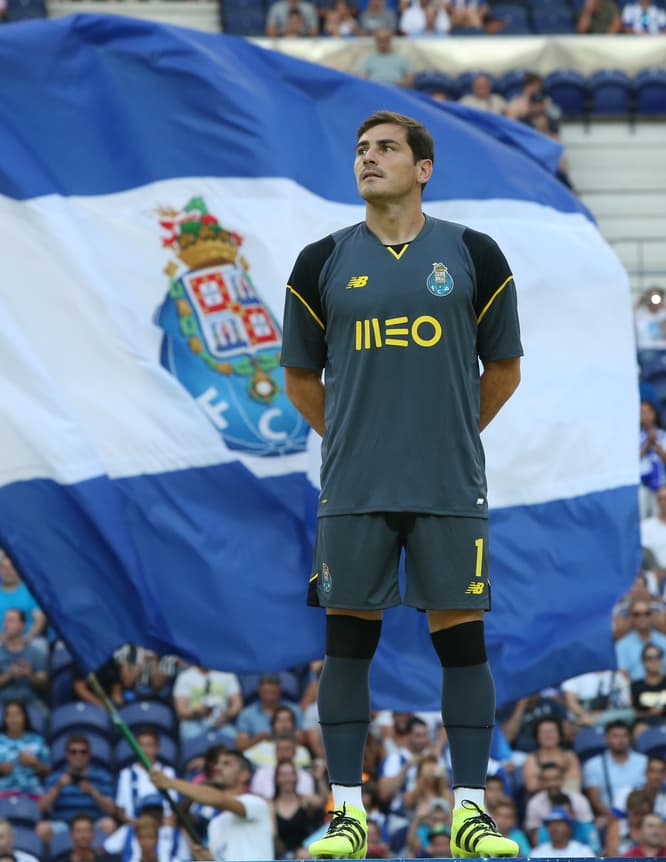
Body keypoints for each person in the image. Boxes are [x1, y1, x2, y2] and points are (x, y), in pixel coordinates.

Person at [281, 110, 522, 859]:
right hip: (354, 486)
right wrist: (361, 442)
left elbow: (505, 371)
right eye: (360, 150)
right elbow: (298, 378)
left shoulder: (475, 254)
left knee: (463, 647)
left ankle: (470, 815)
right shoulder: (318, 260)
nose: (368, 158)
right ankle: (348, 814)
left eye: (386, 148)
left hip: (448, 484)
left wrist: (443, 437)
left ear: (424, 167)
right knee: (347, 646)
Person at [151, 749, 272, 861]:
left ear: (244, 775)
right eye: (218, 763)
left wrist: (171, 783)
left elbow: (219, 799)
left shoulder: (255, 803)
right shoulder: (214, 825)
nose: (217, 767)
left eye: (227, 764)